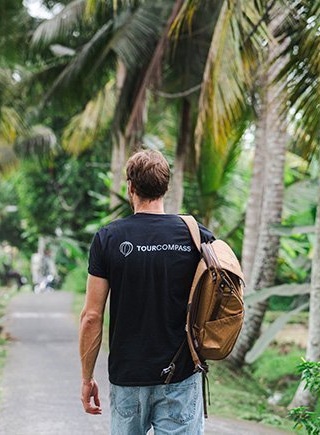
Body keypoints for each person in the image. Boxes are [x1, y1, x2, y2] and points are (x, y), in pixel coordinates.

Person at [78, 149, 214, 434]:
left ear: (130, 187)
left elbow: (92, 316)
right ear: (166, 187)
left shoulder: (108, 238)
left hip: (128, 376)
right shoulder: (195, 235)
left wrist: (87, 378)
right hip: (180, 375)